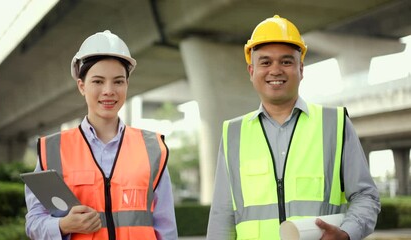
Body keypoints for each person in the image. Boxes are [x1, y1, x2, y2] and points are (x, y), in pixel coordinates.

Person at [206, 15, 380, 240]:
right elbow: (222, 215)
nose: (276, 70)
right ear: (251, 71)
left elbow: (366, 195)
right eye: (265, 62)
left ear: (301, 69)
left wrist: (347, 233)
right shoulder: (233, 133)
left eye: (286, 62)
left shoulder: (334, 124)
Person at [24, 30, 178, 240]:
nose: (108, 90)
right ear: (81, 86)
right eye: (97, 81)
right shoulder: (52, 149)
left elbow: (166, 228)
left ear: (127, 85)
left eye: (118, 81)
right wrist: (62, 225)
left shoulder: (152, 148)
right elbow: (34, 223)